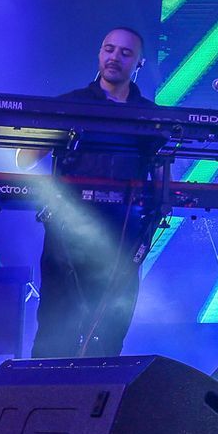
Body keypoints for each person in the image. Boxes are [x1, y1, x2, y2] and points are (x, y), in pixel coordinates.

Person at [23, 26, 164, 358]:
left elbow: (162, 178)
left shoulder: (150, 115)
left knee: (110, 333)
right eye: (109, 49)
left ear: (139, 63)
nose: (114, 57)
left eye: (125, 53)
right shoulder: (71, 104)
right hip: (67, 229)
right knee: (55, 329)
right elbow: (24, 158)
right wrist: (50, 134)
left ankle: (100, 391)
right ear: (99, 53)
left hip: (123, 234)